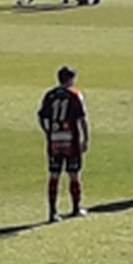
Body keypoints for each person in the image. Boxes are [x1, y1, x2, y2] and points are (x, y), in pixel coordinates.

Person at [38, 65, 89, 222]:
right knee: (73, 174)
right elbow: (82, 118)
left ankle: (53, 212)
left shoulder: (50, 95)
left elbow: (41, 117)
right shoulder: (75, 95)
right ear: (70, 79)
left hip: (54, 139)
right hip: (71, 139)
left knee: (54, 174)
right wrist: (86, 138)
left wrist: (47, 132)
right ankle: (76, 208)